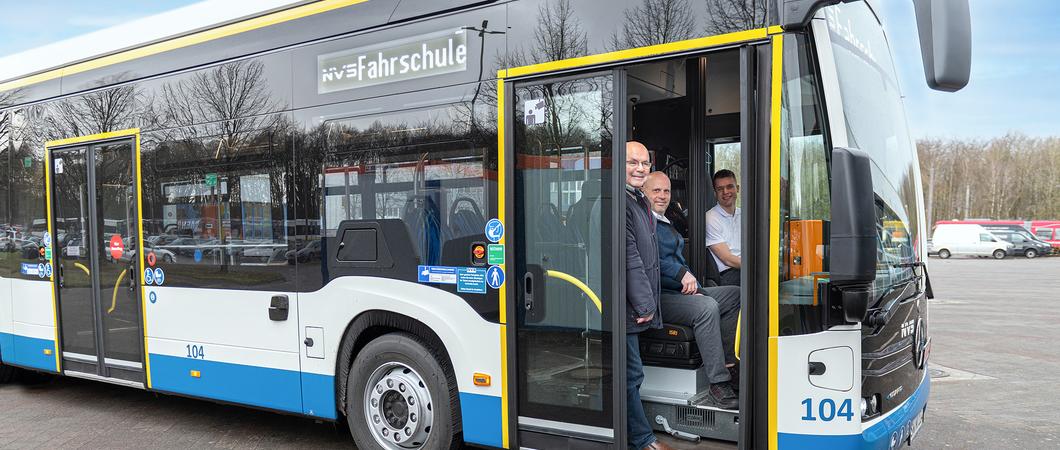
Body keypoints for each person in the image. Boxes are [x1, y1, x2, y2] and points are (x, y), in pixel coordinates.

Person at [642, 172, 740, 409]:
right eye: (656, 191)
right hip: (659, 295)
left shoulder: (665, 221)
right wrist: (681, 275)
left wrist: (692, 282)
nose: (663, 196)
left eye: (666, 191)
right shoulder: (642, 221)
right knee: (706, 307)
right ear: (644, 192)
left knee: (735, 294)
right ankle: (718, 384)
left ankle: (728, 364)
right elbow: (648, 259)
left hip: (679, 289)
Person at [623, 142, 672, 450]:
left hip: (637, 304)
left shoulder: (638, 199)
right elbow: (629, 258)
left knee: (633, 373)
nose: (640, 168)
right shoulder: (622, 201)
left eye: (645, 163)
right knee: (631, 374)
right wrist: (646, 303)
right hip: (627, 306)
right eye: (633, 162)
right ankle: (642, 441)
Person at [707, 169, 742, 286]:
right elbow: (727, 259)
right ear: (715, 193)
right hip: (729, 274)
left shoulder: (745, 215)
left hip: (744, 268)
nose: (725, 192)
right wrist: (756, 266)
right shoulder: (710, 218)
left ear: (737, 188)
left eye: (729, 187)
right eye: (720, 189)